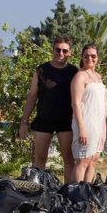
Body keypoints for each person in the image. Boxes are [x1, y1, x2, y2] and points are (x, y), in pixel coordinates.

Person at [19, 36, 78, 183]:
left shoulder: (74, 72)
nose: (61, 53)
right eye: (58, 50)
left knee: (69, 160)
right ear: (52, 50)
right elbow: (32, 95)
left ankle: (68, 193)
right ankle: (38, 192)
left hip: (66, 121)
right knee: (39, 159)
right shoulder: (41, 70)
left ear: (70, 52)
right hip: (44, 120)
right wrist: (24, 122)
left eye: (65, 50)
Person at [69, 44, 107, 183]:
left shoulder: (98, 76)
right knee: (83, 161)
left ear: (97, 58)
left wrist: (105, 127)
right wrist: (82, 129)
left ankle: (86, 193)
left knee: (93, 160)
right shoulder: (80, 76)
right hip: (86, 123)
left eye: (93, 56)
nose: (89, 58)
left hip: (99, 124)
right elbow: (76, 104)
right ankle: (75, 195)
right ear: (82, 57)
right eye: (86, 55)